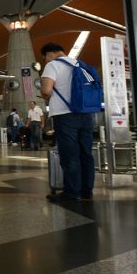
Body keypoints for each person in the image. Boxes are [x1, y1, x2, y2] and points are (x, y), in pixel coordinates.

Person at [40, 42, 96, 202]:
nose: (45, 61)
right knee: (86, 153)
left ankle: (71, 192)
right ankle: (87, 191)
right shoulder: (81, 64)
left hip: (65, 116)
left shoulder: (52, 65)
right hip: (86, 114)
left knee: (69, 154)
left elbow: (46, 90)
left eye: (44, 58)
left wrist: (45, 95)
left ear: (49, 54)